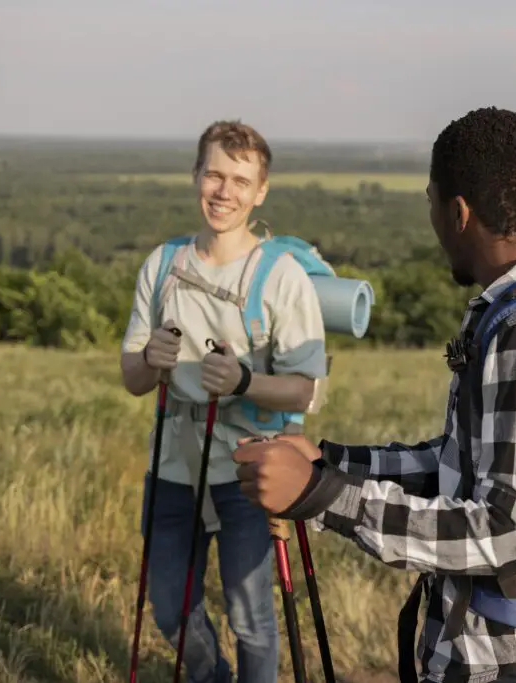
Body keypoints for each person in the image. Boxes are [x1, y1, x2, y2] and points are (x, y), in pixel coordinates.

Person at [232, 107, 516, 683]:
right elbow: (460, 465)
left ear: (457, 212)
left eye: (432, 205)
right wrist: (331, 463)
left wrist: (323, 497)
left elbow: (505, 533)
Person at [120, 119, 328, 683]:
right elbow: (132, 376)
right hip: (171, 466)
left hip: (249, 470)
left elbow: (306, 388)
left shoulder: (281, 276)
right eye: (214, 174)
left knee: (251, 617)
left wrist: (242, 382)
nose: (224, 191)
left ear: (260, 192)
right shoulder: (163, 266)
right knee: (168, 606)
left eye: (240, 180)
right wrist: (150, 361)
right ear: (196, 177)